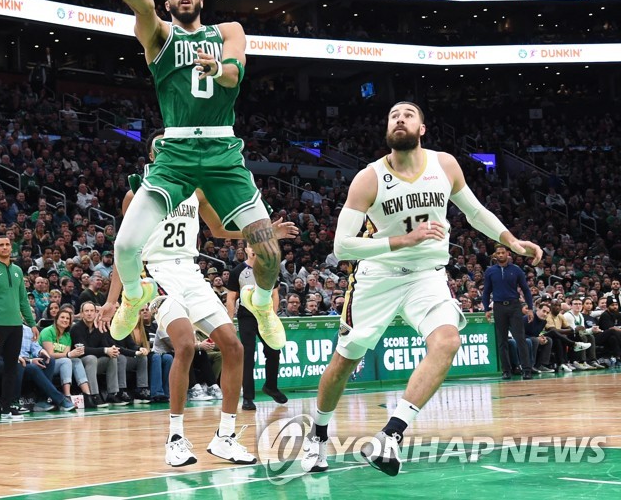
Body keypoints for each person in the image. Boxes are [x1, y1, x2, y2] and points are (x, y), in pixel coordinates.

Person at [301, 102, 543, 477]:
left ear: (422, 128)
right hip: (377, 276)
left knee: (447, 341)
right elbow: (342, 247)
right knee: (345, 361)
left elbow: (475, 212)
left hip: (426, 275)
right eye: (393, 116)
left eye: (408, 115)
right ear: (387, 129)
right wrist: (404, 239)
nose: (400, 119)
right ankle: (317, 436)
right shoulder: (369, 178)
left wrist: (511, 241)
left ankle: (390, 434)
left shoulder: (444, 165)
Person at [90, 0, 284, 353]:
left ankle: (261, 303)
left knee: (269, 251)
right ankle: (133, 295)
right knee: (125, 246)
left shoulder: (227, 30)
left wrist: (216, 68)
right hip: (175, 152)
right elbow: (142, 7)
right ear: (167, 1)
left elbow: (232, 75)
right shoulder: (159, 34)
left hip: (221, 150)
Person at [98, 130, 297, 466]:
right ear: (152, 157)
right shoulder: (138, 194)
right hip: (156, 273)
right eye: (160, 148)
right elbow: (126, 251)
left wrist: (267, 233)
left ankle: (226, 437)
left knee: (234, 347)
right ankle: (175, 438)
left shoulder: (196, 190)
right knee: (186, 344)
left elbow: (219, 230)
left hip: (191, 272)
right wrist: (111, 299)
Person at [0, 236, 37, 422]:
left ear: (12, 248)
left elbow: (23, 301)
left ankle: (8, 406)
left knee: (12, 367)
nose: (5, 247)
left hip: (16, 326)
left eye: (7, 244)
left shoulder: (18, 270)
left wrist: (32, 324)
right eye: (1, 245)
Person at [226, 247, 288, 410]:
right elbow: (231, 297)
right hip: (246, 315)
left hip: (265, 315)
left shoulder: (269, 269)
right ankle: (247, 397)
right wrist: (230, 320)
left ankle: (271, 387)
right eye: (251, 246)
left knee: (274, 351)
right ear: (246, 249)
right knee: (247, 354)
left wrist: (272, 316)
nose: (254, 249)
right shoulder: (238, 271)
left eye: (257, 246)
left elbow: (275, 294)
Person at [482, 244, 536, 380]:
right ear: (495, 255)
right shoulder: (490, 271)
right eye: (498, 253)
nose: (500, 255)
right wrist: (486, 309)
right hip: (498, 307)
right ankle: (506, 370)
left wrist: (530, 308)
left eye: (502, 252)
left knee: (520, 339)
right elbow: (486, 291)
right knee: (502, 340)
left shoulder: (516, 270)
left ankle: (527, 369)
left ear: (508, 254)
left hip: (514, 306)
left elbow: (526, 290)